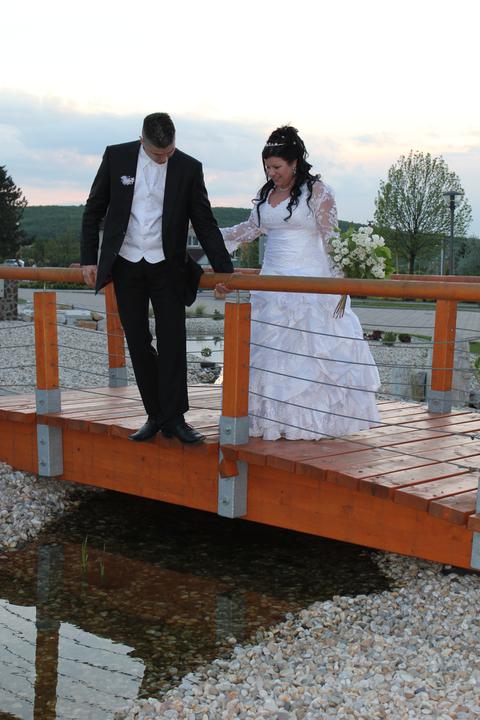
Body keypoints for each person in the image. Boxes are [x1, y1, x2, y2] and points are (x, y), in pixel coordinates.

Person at [81, 112, 234, 444]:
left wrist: (224, 271)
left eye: (169, 152)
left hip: (168, 266)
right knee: (138, 342)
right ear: (142, 141)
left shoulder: (190, 168)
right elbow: (93, 209)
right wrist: (88, 259)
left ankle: (175, 419)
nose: (164, 158)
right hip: (126, 264)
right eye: (157, 154)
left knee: (173, 341)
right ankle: (155, 414)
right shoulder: (116, 157)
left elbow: (204, 222)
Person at [220, 125, 381, 441]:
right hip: (270, 287)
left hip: (310, 286)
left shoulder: (318, 192)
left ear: (294, 163)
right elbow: (247, 230)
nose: (271, 173)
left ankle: (311, 425)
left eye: (277, 167)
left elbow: (331, 240)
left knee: (309, 357)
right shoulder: (266, 195)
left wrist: (341, 283)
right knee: (268, 356)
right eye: (267, 167)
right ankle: (270, 422)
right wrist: (211, 236)